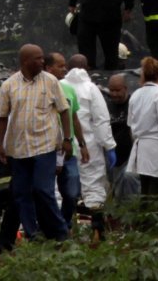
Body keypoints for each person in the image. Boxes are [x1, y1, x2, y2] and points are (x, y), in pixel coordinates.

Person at [0, 44, 72, 241]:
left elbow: (64, 111)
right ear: (25, 62)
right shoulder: (9, 85)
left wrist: (67, 139)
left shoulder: (51, 82)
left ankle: (60, 233)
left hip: (45, 146)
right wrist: (0, 145)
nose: (42, 61)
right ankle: (33, 233)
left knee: (42, 190)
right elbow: (1, 117)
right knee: (21, 193)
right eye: (37, 58)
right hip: (19, 149)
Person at [62, 55, 117, 238]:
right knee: (93, 186)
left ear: (67, 67)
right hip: (89, 146)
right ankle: (96, 228)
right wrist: (109, 146)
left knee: (62, 189)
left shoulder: (59, 86)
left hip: (65, 144)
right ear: (87, 68)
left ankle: (64, 229)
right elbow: (101, 120)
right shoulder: (91, 88)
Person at [44, 52, 88, 229]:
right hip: (47, 150)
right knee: (46, 192)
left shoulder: (69, 89)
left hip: (68, 151)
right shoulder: (41, 90)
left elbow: (74, 117)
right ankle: (53, 228)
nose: (65, 69)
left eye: (65, 65)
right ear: (48, 68)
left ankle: (63, 223)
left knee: (71, 193)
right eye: (60, 66)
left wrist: (82, 143)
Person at [127, 57, 158, 195]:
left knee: (145, 191)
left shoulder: (135, 95)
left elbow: (131, 126)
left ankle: (143, 217)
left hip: (141, 148)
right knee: (157, 192)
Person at [104, 72, 140, 199]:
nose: (114, 94)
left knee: (129, 186)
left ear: (125, 88)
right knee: (114, 189)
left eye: (118, 90)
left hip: (130, 155)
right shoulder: (106, 105)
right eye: (111, 90)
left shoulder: (133, 103)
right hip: (111, 154)